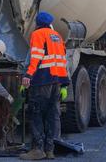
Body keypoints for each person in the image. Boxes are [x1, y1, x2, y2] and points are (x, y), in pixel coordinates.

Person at [19, 11, 69, 160]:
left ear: (38, 23)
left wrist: (28, 76)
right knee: (51, 115)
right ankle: (49, 150)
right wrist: (64, 84)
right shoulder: (57, 37)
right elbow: (63, 61)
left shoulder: (38, 34)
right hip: (56, 82)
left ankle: (37, 150)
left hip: (41, 81)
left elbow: (36, 57)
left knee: (36, 114)